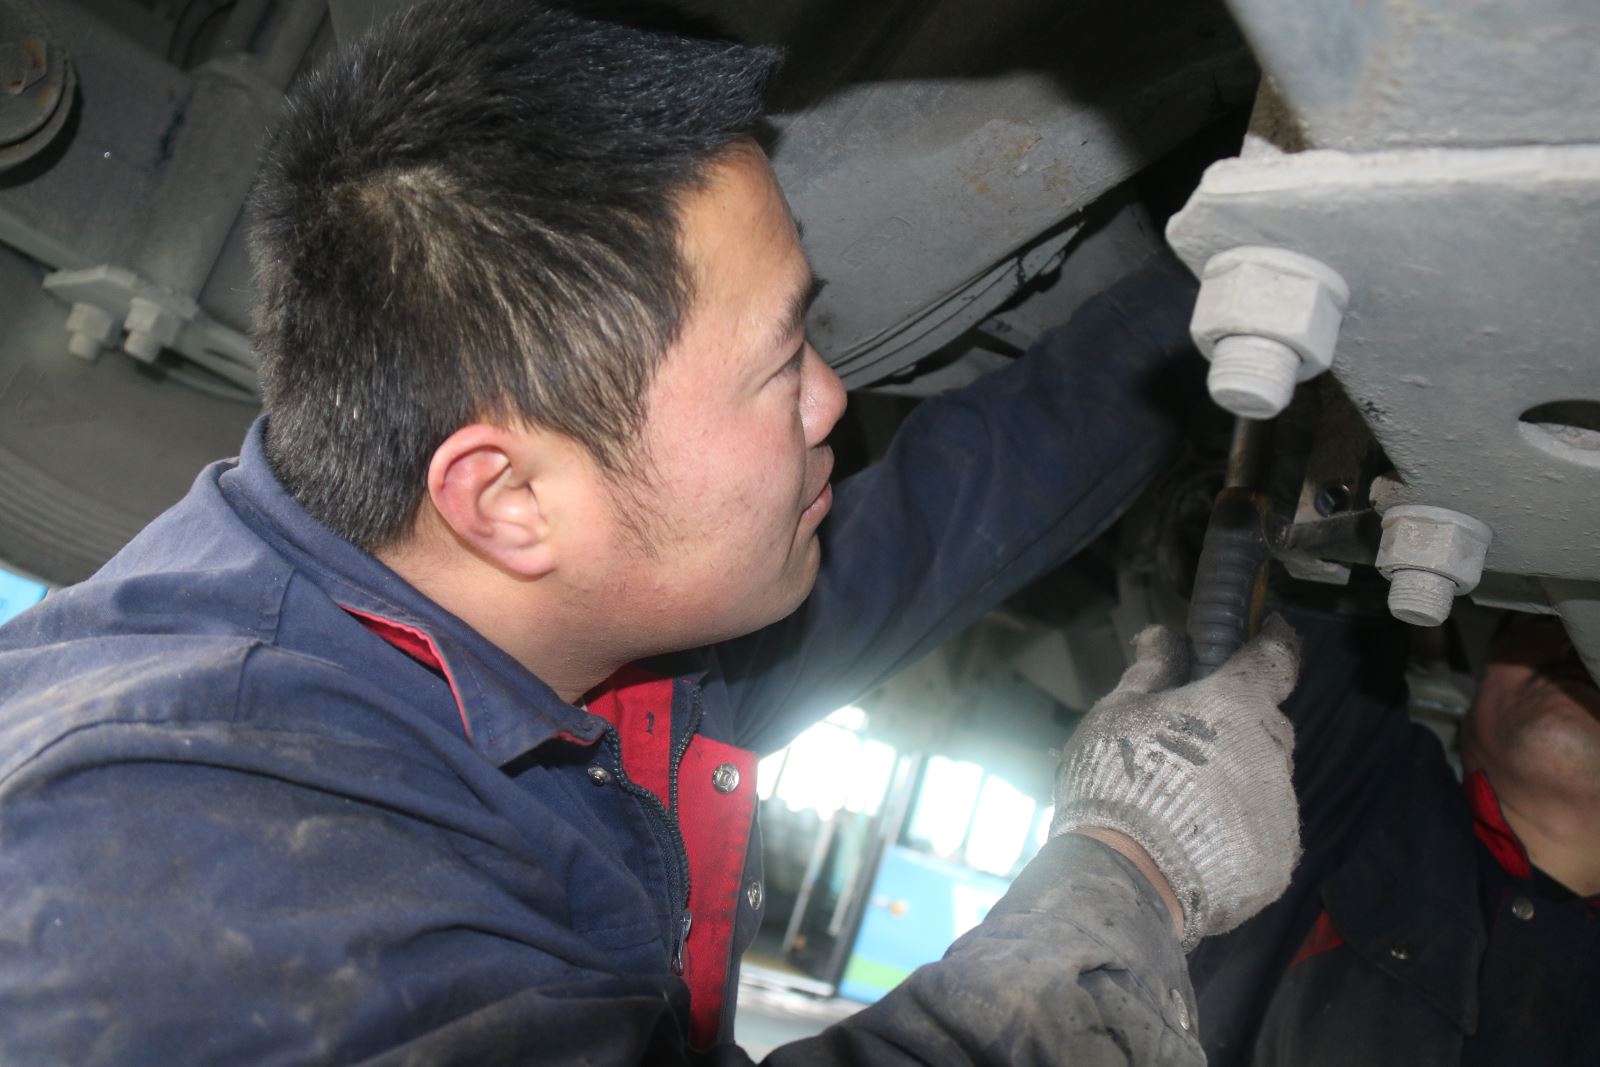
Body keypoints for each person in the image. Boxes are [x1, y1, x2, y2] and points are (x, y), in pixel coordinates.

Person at [0, 1, 1303, 1062]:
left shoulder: (547, 608)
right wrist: (1127, 875)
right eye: (779, 363)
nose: (832, 399)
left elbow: (968, 503)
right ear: (508, 497)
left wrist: (1232, 271)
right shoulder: (192, 899)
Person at [1189, 601, 1600, 1064]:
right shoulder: (1358, 800)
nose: (1573, 644)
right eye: (1540, 617)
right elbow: (1329, 593)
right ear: (1470, 704)